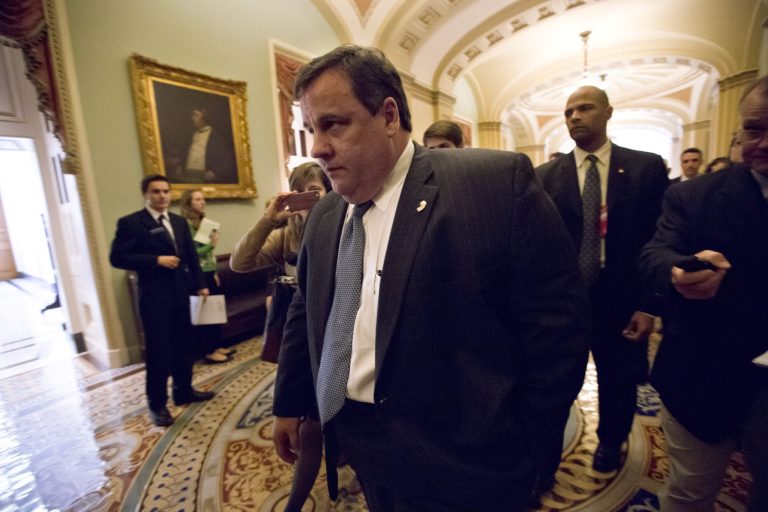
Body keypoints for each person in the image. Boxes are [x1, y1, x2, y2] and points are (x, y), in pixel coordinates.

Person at [271, 44, 590, 512]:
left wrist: (526, 448)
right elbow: (306, 309)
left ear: (387, 115)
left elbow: (558, 327)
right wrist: (290, 400)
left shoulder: (493, 184)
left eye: (333, 124)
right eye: (311, 129)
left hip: (468, 461)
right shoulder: (324, 216)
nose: (317, 147)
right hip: (361, 442)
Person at [639, 75, 768, 512]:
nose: (764, 143)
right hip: (703, 376)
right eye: (755, 129)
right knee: (689, 493)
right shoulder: (694, 196)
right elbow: (654, 255)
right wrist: (677, 273)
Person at [536, 85, 669, 475]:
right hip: (565, 304)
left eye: (585, 108)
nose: (575, 116)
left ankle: (611, 441)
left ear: (608, 112)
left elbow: (657, 239)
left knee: (619, 379)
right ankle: (544, 458)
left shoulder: (646, 167)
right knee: (553, 384)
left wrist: (649, 305)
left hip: (622, 300)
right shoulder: (545, 176)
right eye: (568, 111)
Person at [230, 161, 331, 512]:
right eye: (301, 196)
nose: (308, 204)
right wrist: (269, 220)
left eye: (315, 194)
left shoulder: (341, 226)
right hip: (295, 336)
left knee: (317, 421)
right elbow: (240, 263)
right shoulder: (286, 233)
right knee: (306, 418)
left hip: (329, 336)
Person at [110, 174, 215, 427]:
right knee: (159, 353)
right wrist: (156, 260)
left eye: (166, 191)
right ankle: (157, 405)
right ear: (146, 194)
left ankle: (183, 391)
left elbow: (190, 256)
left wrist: (201, 286)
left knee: (184, 346)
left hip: (182, 293)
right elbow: (118, 258)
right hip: (154, 298)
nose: (162, 196)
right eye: (156, 191)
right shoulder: (132, 223)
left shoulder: (178, 222)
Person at [179, 188, 234, 364]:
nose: (203, 202)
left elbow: (208, 256)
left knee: (215, 311)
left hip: (209, 273)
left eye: (203, 199)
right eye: (197, 199)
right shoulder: (185, 224)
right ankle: (208, 351)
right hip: (197, 276)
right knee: (206, 315)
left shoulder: (204, 223)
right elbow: (191, 253)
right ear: (189, 203)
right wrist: (211, 245)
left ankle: (217, 346)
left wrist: (215, 271)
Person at [183, 106, 238, 184]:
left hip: (204, 178)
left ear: (204, 114)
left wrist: (215, 172)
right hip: (188, 175)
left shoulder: (217, 136)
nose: (193, 118)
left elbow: (226, 159)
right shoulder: (191, 134)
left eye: (196, 115)